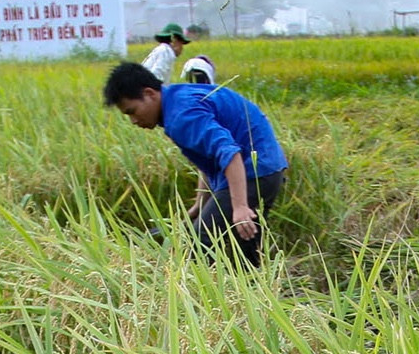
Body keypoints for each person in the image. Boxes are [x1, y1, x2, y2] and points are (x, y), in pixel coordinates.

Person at [103, 62, 288, 268]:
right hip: (265, 167)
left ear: (150, 93)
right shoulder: (175, 98)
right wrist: (200, 204)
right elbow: (209, 159)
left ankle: (199, 295)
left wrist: (240, 206)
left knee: (201, 238)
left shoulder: (182, 116)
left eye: (132, 111)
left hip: (254, 171)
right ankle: (252, 289)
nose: (134, 121)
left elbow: (230, 154)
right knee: (243, 241)